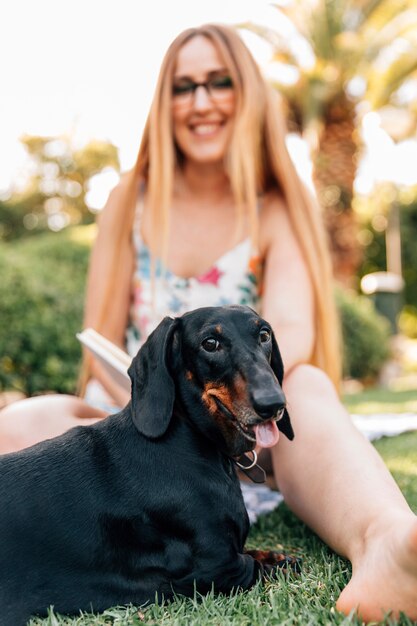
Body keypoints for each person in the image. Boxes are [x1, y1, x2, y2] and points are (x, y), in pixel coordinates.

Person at [1, 23, 416, 622]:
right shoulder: (129, 199)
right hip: (139, 416)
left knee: (309, 386)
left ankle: (385, 542)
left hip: (255, 430)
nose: (201, 102)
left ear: (246, 94)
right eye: (183, 86)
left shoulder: (275, 205)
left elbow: (291, 335)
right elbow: (99, 338)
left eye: (219, 82)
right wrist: (157, 397)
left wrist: (241, 400)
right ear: (164, 102)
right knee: (32, 416)